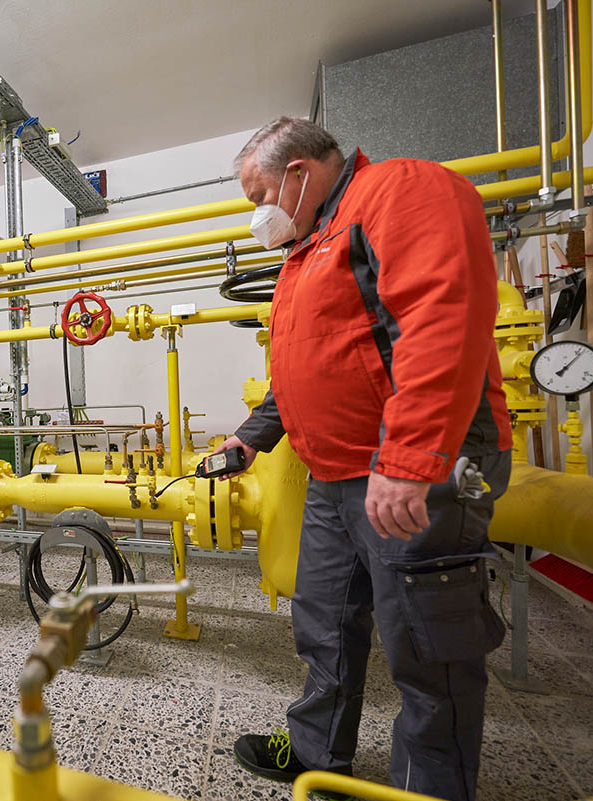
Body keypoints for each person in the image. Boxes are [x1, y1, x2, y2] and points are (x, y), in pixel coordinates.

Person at [215, 117, 511, 801]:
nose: (256, 213)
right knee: (322, 621)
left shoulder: (397, 191)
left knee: (428, 650)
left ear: (297, 173)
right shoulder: (308, 246)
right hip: (337, 474)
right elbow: (307, 369)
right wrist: (251, 437)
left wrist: (408, 458)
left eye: (257, 194)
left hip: (414, 468)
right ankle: (317, 755)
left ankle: (432, 789)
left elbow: (444, 317)